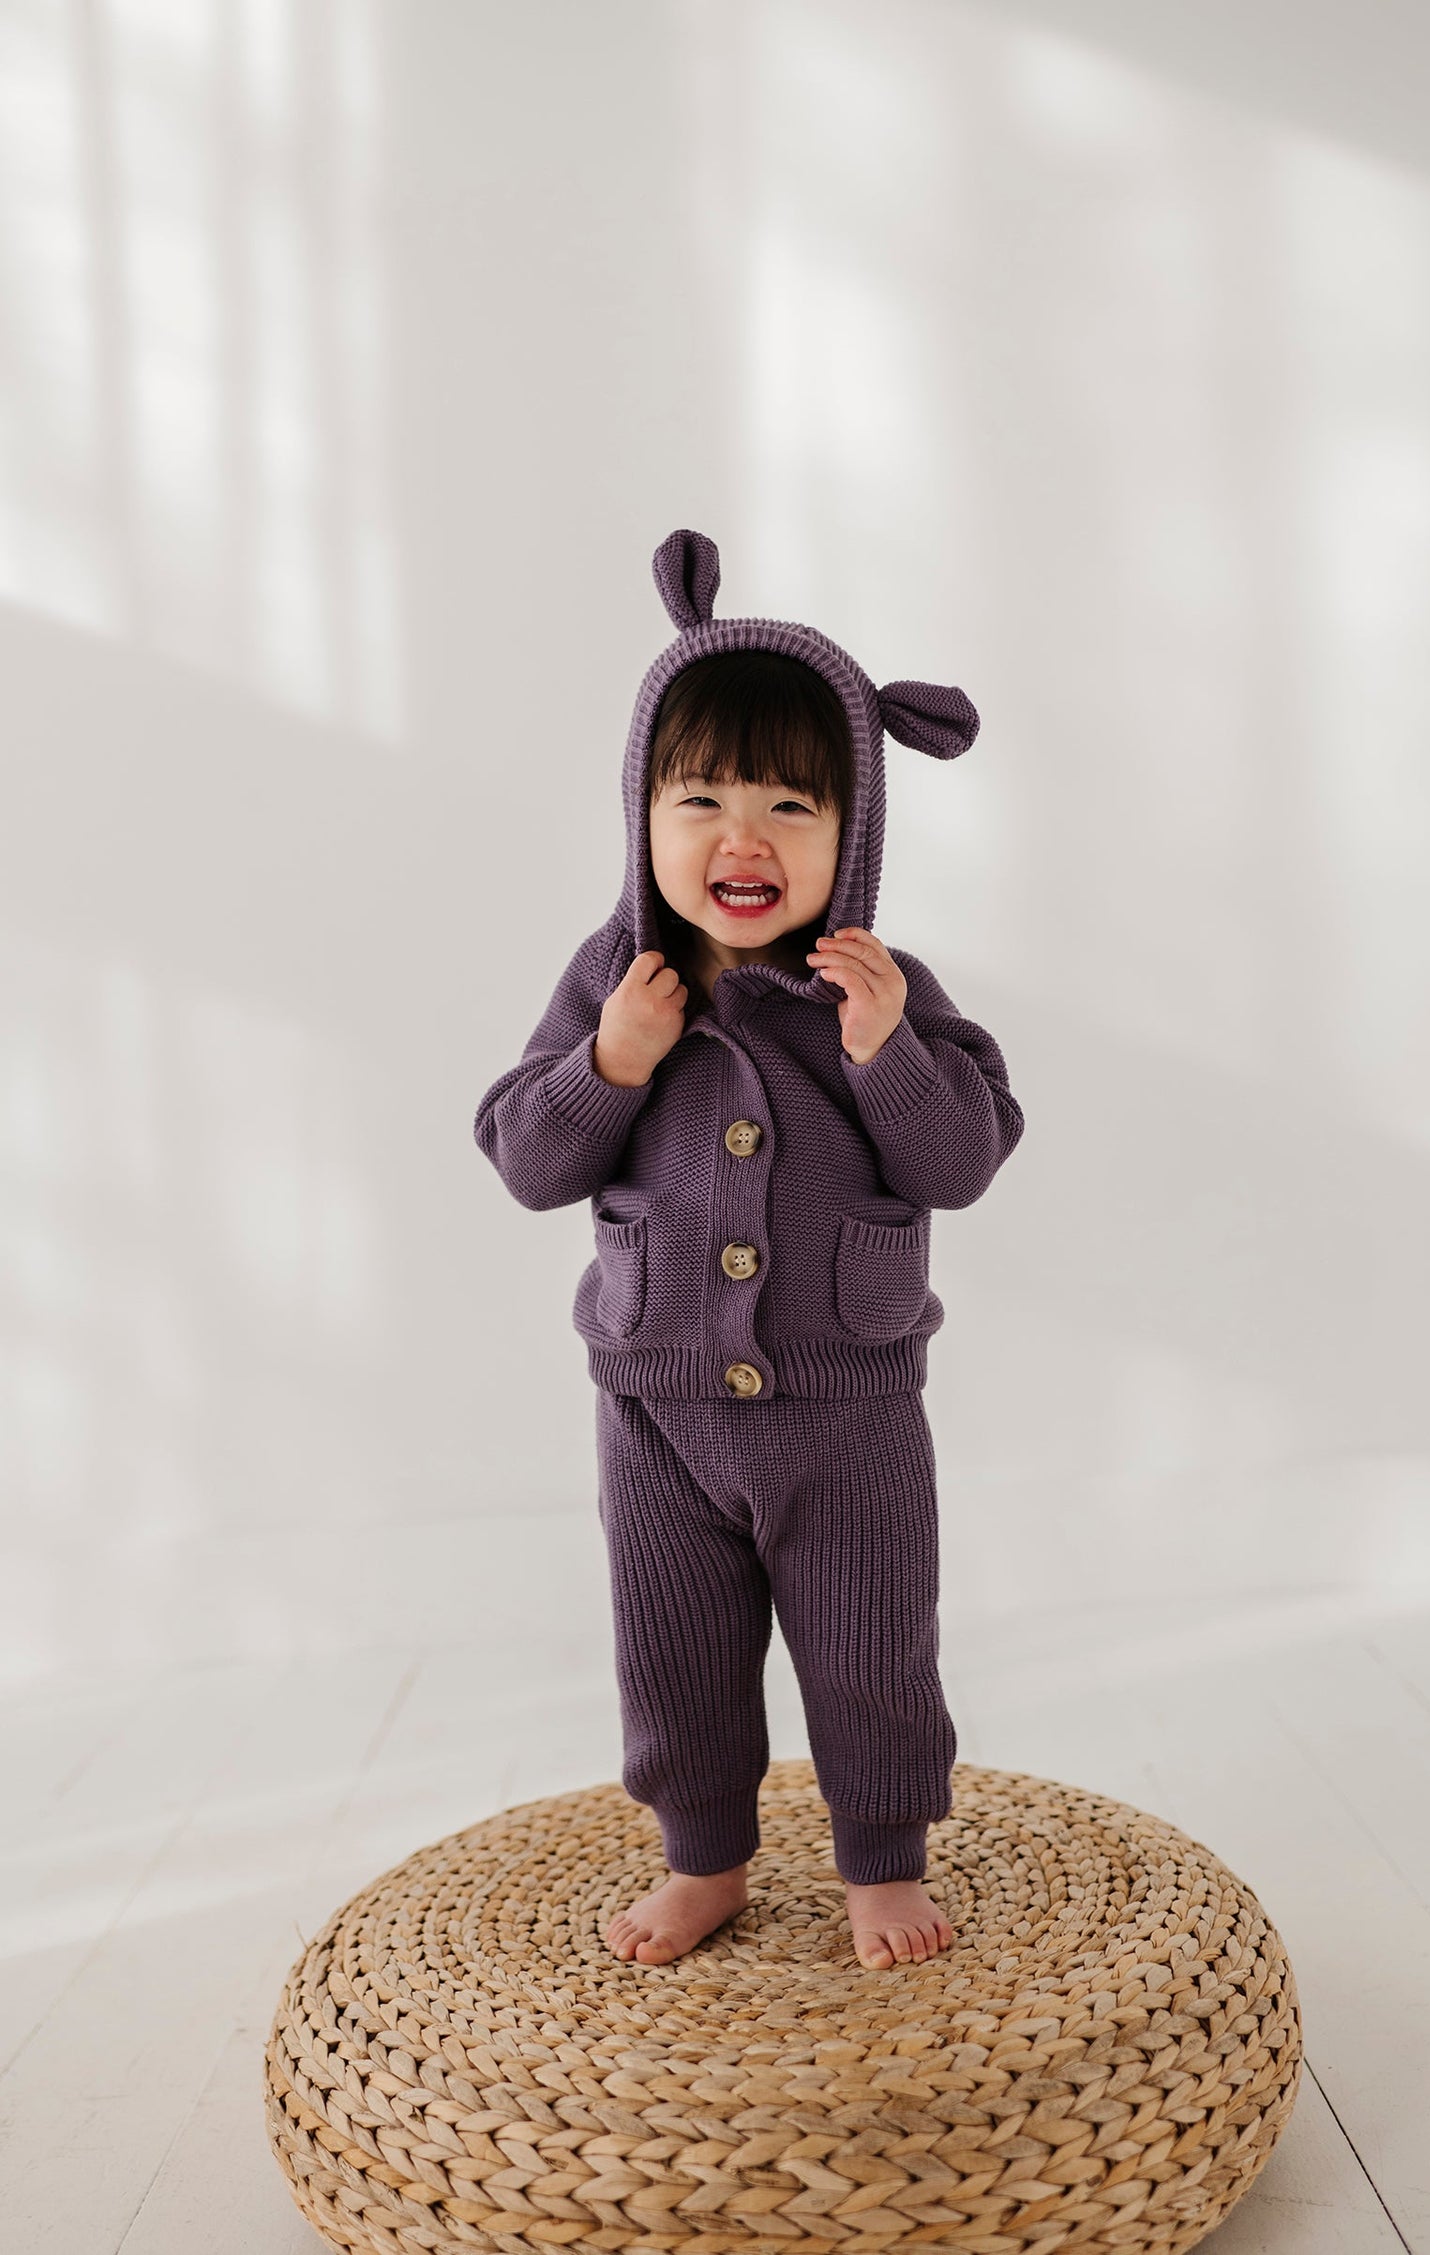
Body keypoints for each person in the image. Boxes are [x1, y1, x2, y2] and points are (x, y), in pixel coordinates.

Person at [473, 528, 1024, 1969]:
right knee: (675, 1653)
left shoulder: (877, 991)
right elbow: (526, 1159)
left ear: (856, 834)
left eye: (792, 805)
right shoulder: (616, 983)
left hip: (849, 1412)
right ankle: (704, 1856)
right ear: (641, 816)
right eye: (702, 799)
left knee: (872, 1650)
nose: (745, 839)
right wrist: (610, 1060)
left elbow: (964, 1161)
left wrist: (889, 1051)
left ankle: (883, 1861)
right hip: (656, 1406)